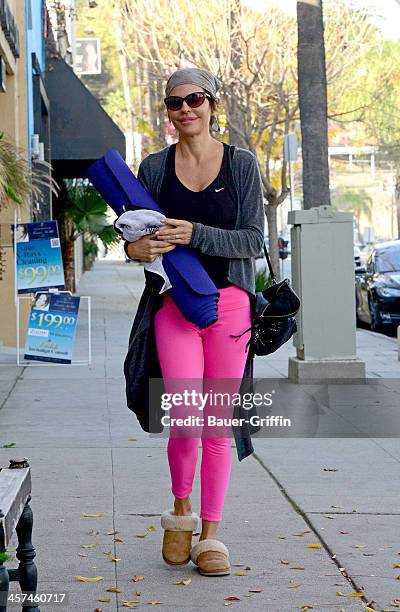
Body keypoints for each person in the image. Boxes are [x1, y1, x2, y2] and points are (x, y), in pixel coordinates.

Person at [124, 67, 265, 577]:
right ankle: (180, 510)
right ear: (167, 111)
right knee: (183, 418)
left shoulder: (241, 165)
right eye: (175, 103)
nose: (186, 109)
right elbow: (134, 239)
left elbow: (253, 240)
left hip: (230, 307)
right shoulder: (154, 169)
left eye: (195, 99)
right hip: (174, 307)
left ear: (212, 104)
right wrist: (135, 248)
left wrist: (195, 233)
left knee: (216, 426)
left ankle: (210, 535)